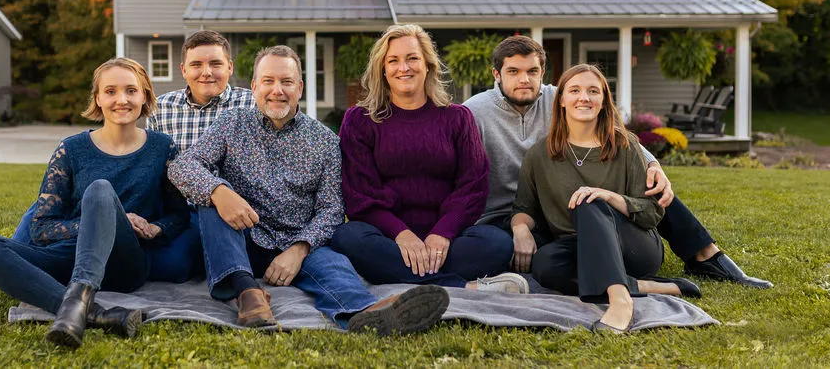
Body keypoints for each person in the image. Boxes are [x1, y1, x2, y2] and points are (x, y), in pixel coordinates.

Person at [168, 45, 450, 334]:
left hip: (299, 241)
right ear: (254, 86)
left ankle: (364, 313)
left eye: (286, 82)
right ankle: (248, 293)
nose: (277, 90)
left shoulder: (325, 141)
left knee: (334, 265)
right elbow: (182, 166)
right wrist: (219, 192)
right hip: (243, 238)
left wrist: (299, 250)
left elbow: (331, 210)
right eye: (268, 81)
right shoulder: (230, 124)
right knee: (211, 202)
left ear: (299, 87)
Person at [0, 30, 254, 292]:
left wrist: (156, 224)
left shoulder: (250, 106)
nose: (207, 72)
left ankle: (14, 267)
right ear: (183, 69)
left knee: (175, 265)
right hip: (161, 195)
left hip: (203, 207)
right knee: (48, 202)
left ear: (229, 66)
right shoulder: (163, 107)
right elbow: (138, 158)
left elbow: (152, 160)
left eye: (215, 64)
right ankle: (10, 262)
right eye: (197, 64)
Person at [464, 35, 772, 289]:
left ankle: (706, 254)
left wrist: (652, 164)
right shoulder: (474, 111)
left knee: (652, 186)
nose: (524, 80)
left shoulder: (562, 97)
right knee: (542, 261)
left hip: (568, 199)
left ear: (542, 73)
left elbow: (612, 132)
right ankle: (628, 281)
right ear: (496, 75)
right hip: (512, 214)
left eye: (532, 71)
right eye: (514, 72)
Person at [0, 58, 191, 348]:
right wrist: (98, 221)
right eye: (110, 91)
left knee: (99, 190)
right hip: (67, 259)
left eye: (131, 91)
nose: (121, 100)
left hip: (125, 263)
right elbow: (42, 228)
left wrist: (154, 228)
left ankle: (78, 297)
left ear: (145, 96)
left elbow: (179, 215)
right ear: (97, 98)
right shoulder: (71, 149)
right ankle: (95, 314)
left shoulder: (163, 147)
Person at [331, 24, 524, 293]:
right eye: (393, 61)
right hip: (387, 237)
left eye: (412, 58)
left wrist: (442, 233)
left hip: (448, 239)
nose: (404, 67)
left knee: (498, 243)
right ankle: (463, 286)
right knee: (346, 237)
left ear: (428, 65)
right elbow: (359, 195)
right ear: (383, 69)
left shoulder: (457, 118)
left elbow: (473, 186)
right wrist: (401, 234)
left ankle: (397, 276)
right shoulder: (360, 120)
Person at [512, 63, 700, 333]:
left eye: (593, 91)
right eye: (574, 90)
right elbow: (524, 207)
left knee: (590, 201)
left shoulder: (625, 145)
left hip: (634, 245)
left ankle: (620, 301)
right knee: (545, 264)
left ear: (603, 101)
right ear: (561, 100)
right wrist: (520, 228)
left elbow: (653, 212)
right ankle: (642, 286)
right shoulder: (539, 154)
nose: (584, 98)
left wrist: (609, 198)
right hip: (578, 249)